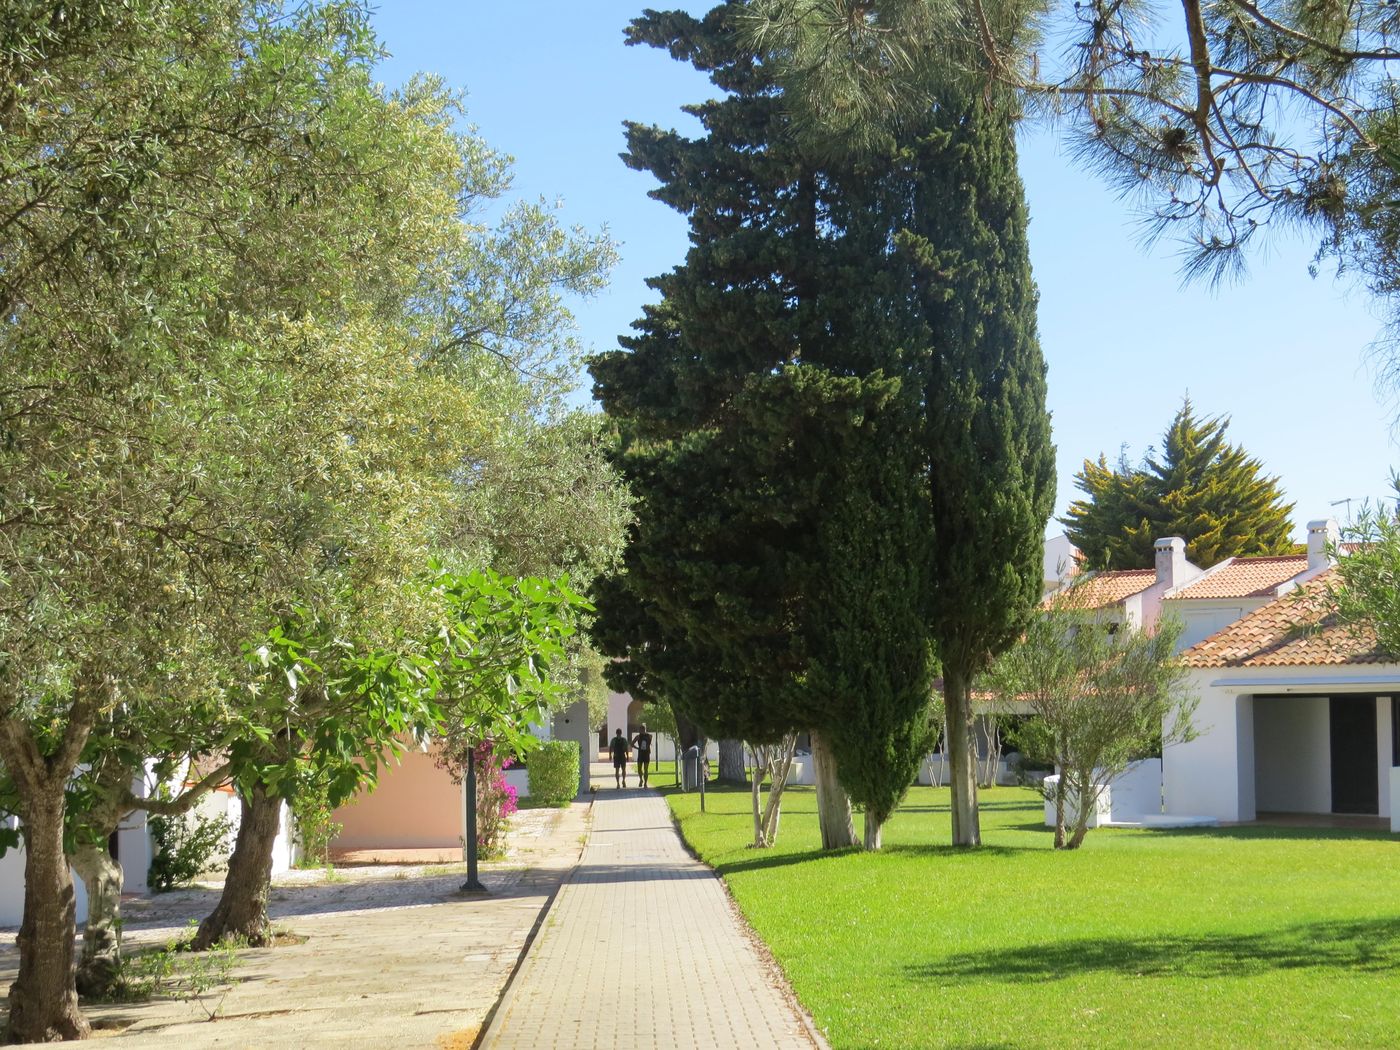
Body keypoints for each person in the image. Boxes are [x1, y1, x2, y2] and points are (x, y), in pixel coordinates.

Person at [631, 723, 653, 788]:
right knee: (640, 769)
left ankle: (645, 783)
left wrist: (638, 748)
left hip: (644, 754)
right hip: (643, 754)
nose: (639, 731)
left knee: (644, 769)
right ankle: (642, 780)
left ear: (642, 729)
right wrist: (638, 748)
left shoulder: (647, 736)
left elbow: (632, 744)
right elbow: (632, 744)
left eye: (640, 730)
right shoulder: (642, 736)